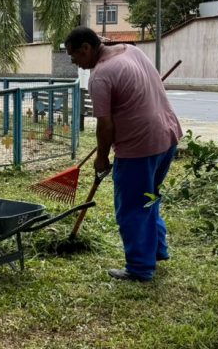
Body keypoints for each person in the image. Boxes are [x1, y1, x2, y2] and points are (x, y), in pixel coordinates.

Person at [64, 27, 182, 281]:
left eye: (75, 57)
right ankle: (157, 251)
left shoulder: (100, 76)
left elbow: (105, 125)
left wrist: (102, 157)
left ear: (86, 48)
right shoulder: (132, 51)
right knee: (149, 197)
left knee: (131, 207)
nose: (76, 64)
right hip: (167, 138)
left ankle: (140, 268)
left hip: (139, 148)